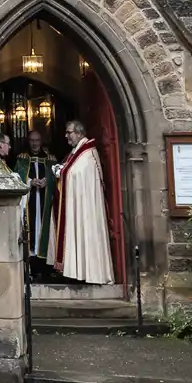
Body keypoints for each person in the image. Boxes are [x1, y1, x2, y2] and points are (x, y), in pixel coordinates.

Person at [50, 119, 115, 286]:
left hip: (87, 211)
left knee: (86, 234)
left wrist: (61, 172)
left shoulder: (87, 154)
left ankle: (91, 272)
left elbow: (76, 174)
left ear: (79, 133)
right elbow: (71, 171)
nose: (66, 136)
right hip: (79, 207)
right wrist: (61, 170)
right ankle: (78, 271)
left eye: (69, 132)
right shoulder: (78, 151)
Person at [13, 127, 58, 264]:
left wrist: (48, 182)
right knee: (30, 227)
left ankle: (45, 262)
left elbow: (58, 179)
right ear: (28, 141)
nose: (34, 143)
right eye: (32, 140)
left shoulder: (50, 159)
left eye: (37, 140)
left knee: (45, 228)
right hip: (30, 199)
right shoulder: (22, 159)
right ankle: (30, 259)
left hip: (45, 202)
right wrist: (30, 182)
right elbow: (15, 178)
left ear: (41, 141)